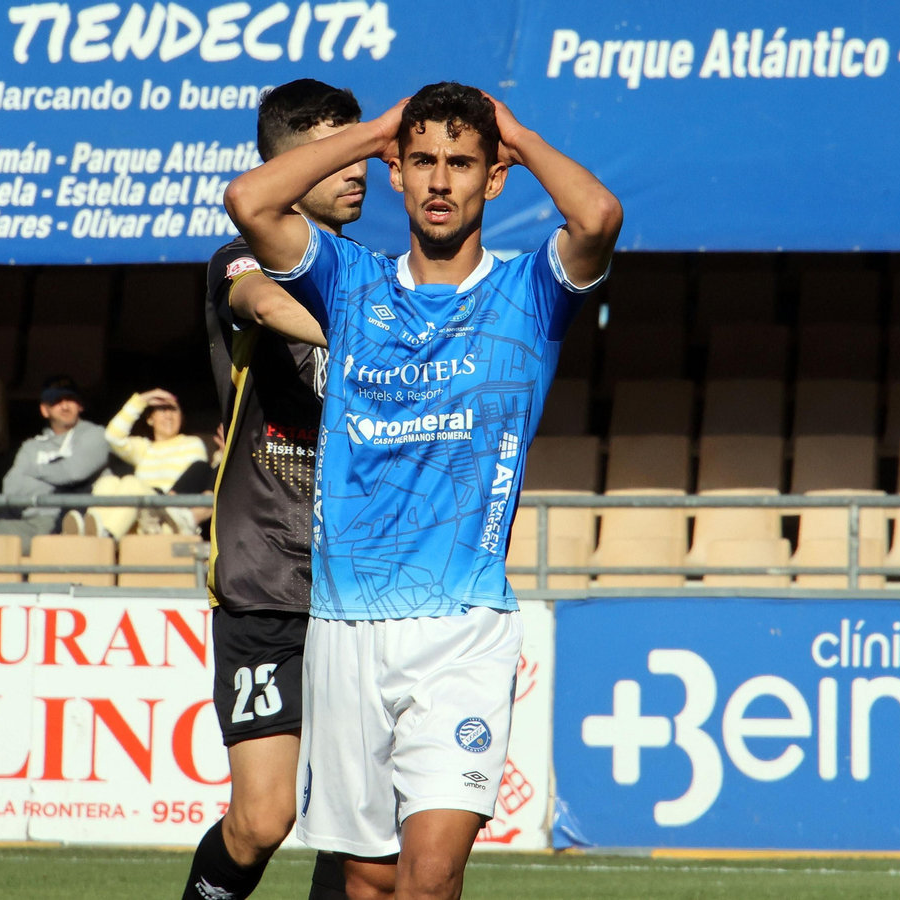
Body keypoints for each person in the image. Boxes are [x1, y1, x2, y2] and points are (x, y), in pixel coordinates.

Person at [224, 83, 622, 900]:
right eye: (424, 162)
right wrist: (376, 131)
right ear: (397, 174)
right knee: (368, 878)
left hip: (463, 629)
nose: (442, 181)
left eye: (464, 163)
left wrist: (515, 130)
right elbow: (249, 200)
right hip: (344, 626)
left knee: (432, 876)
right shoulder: (347, 281)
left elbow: (598, 218)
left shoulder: (529, 293)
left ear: (495, 177)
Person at [179, 78, 366, 900]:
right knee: (260, 821)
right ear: (293, 163)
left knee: (357, 819)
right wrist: (364, 330)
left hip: (360, 579)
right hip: (265, 571)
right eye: (342, 152)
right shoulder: (239, 257)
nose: (362, 167)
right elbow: (258, 298)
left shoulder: (375, 270)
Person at [0, 375, 109, 554]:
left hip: (66, 523)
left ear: (80, 405)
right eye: (57, 401)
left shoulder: (96, 435)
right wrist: (57, 485)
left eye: (70, 400)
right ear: (45, 410)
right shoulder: (31, 446)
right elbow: (11, 488)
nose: (65, 406)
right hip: (27, 522)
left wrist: (34, 472)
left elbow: (74, 472)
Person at [88, 388, 210, 538]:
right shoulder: (144, 448)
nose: (169, 416)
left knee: (131, 483)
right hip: (138, 515)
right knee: (107, 482)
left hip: (165, 514)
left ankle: (105, 535)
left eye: (174, 410)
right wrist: (141, 401)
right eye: (162, 410)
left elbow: (195, 481)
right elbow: (112, 436)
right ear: (150, 419)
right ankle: (92, 532)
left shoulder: (192, 444)